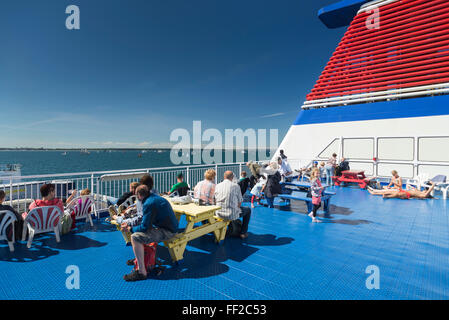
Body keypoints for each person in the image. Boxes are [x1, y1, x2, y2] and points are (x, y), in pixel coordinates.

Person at [121, 183, 179, 281]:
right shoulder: (154, 198)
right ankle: (139, 259)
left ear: (139, 195)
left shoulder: (148, 204)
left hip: (168, 231)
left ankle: (141, 272)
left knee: (135, 237)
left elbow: (144, 227)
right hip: (168, 226)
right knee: (141, 234)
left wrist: (130, 228)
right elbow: (147, 222)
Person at [214, 171, 252, 239]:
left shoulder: (217, 185)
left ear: (224, 177)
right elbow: (240, 201)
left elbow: (215, 200)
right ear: (232, 177)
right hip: (231, 214)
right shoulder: (236, 186)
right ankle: (243, 233)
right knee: (248, 210)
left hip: (218, 213)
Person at [370, 182, 436, 199]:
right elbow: (415, 189)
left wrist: (433, 185)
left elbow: (429, 191)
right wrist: (411, 186)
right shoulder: (420, 192)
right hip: (405, 192)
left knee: (395, 194)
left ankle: (386, 196)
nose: (424, 190)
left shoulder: (423, 195)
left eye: (425, 191)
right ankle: (374, 192)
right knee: (389, 191)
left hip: (406, 194)